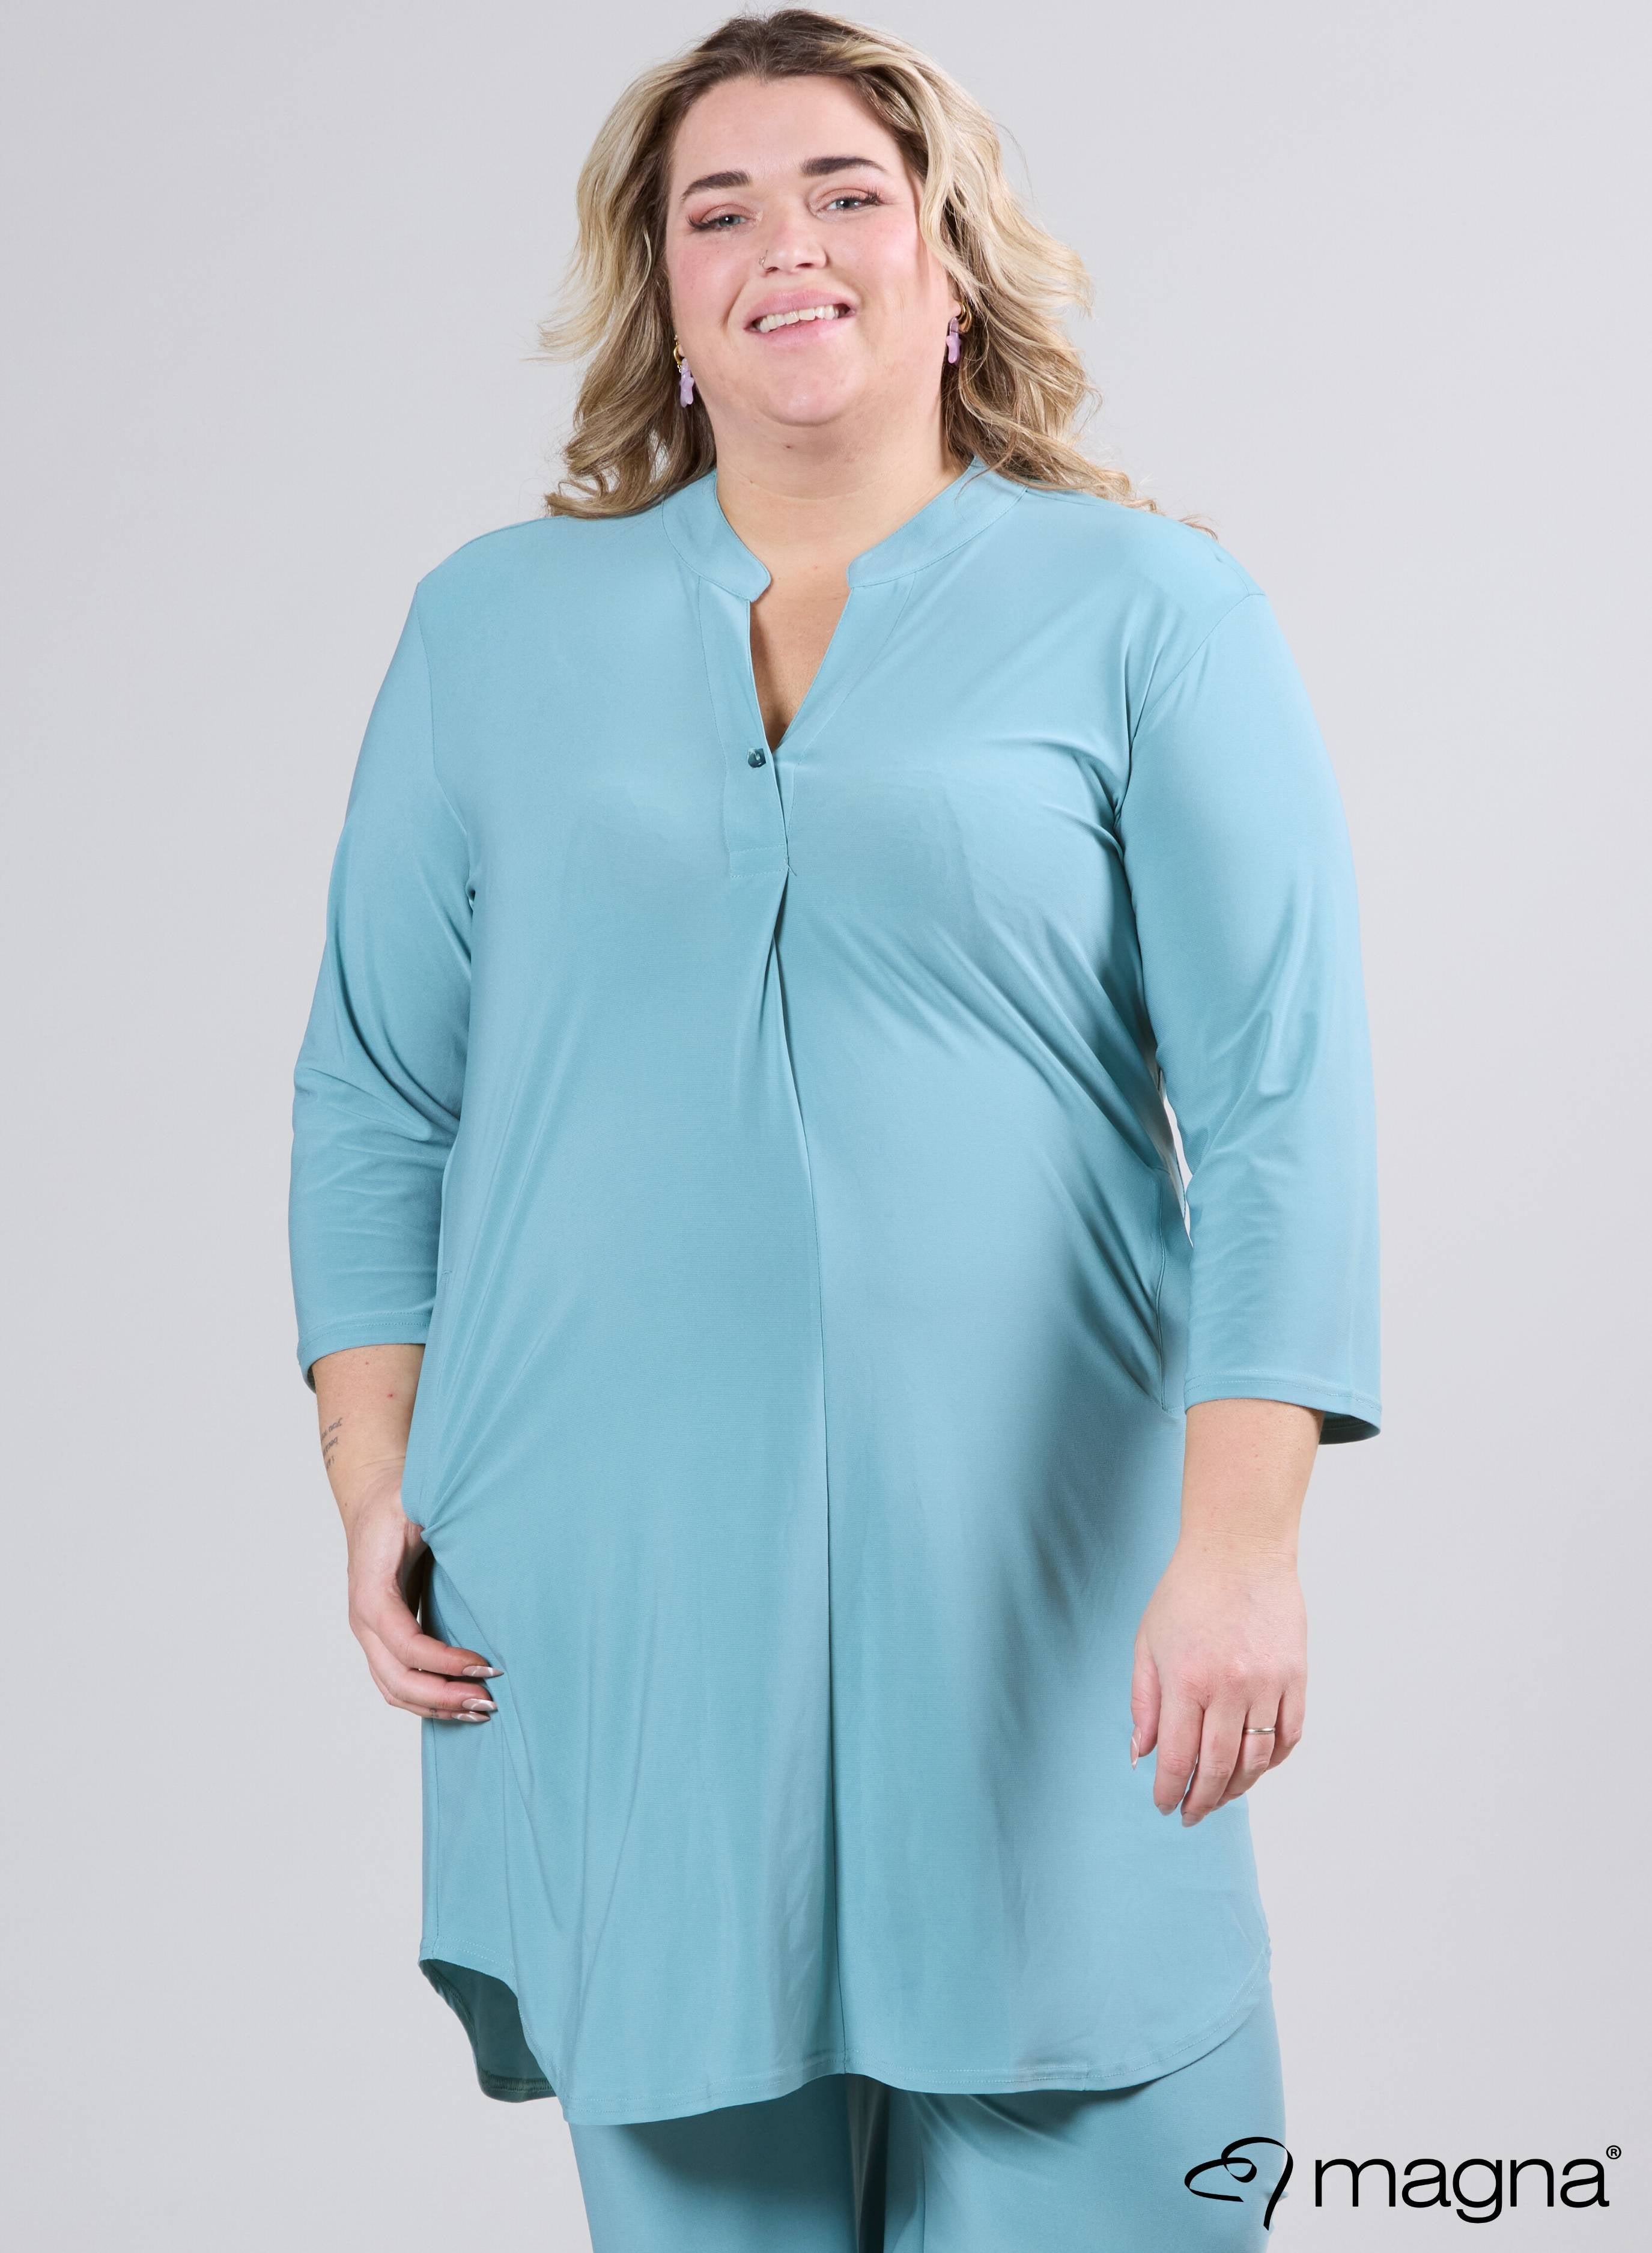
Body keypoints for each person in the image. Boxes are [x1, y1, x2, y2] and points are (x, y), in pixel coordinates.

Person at [287, 10, 1380, 2246]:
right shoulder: (491, 631)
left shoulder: (1149, 613)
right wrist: (374, 1469)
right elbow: (375, 1086)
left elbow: (1281, 1104)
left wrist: (1246, 1544)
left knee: (1121, 2143)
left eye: (847, 193)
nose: (786, 243)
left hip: (1044, 1589)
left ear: (948, 261)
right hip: (615, 1604)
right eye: (721, 210)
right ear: (667, 295)